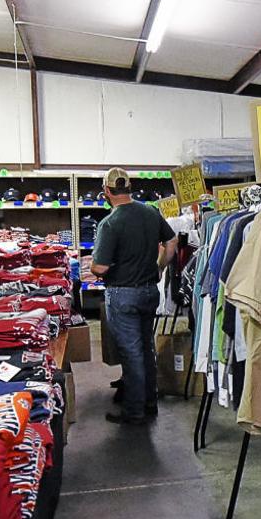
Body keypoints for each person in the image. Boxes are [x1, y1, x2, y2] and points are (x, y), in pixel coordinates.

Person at [91, 167, 177, 427]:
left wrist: (92, 266)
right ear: (129, 188)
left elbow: (101, 268)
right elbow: (171, 242)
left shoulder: (110, 223)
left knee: (131, 352)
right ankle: (150, 402)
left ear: (107, 191)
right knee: (146, 348)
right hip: (149, 291)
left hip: (122, 294)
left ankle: (134, 410)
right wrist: (159, 267)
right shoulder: (150, 212)